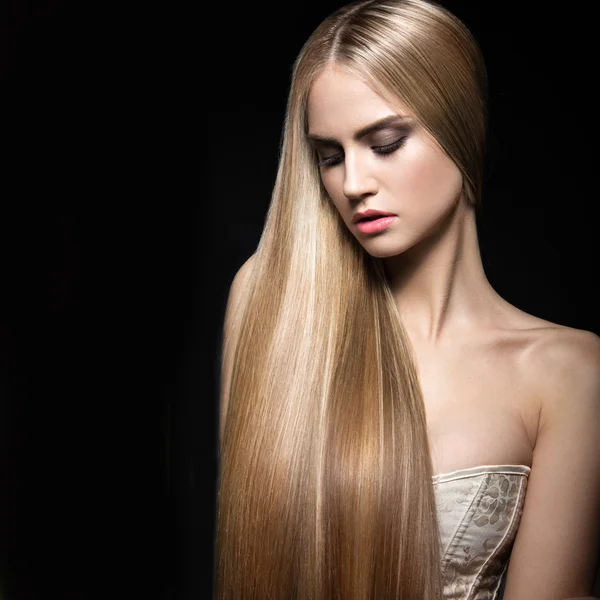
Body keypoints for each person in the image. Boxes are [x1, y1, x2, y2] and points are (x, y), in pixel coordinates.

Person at [214, 0, 600, 598]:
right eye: (330, 156)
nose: (354, 183)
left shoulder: (570, 374)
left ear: (461, 126)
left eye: (386, 143)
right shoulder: (274, 305)